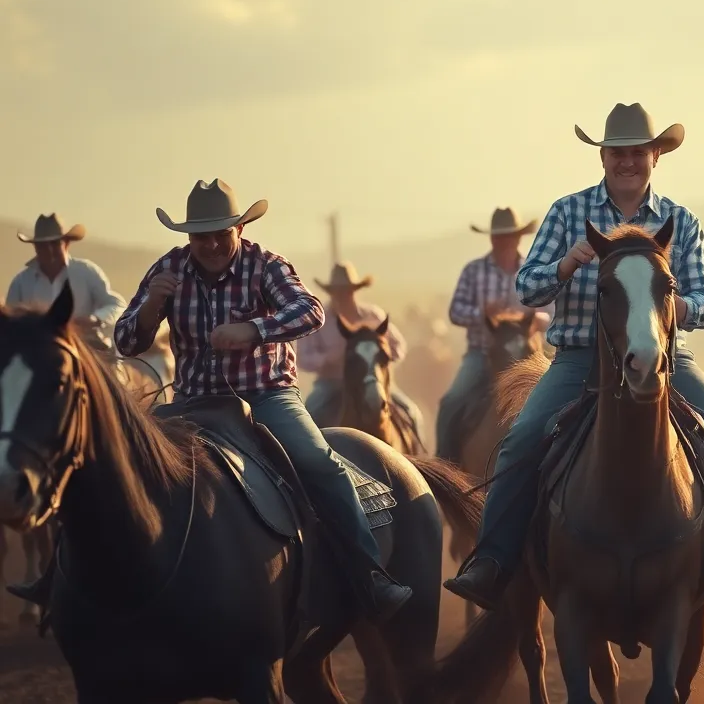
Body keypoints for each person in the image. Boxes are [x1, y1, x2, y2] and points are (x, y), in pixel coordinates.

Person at [443, 102, 704, 611]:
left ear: (656, 156)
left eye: (638, 152)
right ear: (603, 157)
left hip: (664, 358)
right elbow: (527, 287)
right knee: (521, 440)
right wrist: (566, 263)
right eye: (617, 152)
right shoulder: (569, 212)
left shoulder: (681, 220)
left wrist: (675, 306)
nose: (627, 161)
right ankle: (492, 561)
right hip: (578, 359)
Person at [113, 178, 412, 621]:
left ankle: (369, 574)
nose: (212, 243)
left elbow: (310, 310)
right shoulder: (168, 270)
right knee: (125, 461)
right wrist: (151, 308)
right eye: (201, 235)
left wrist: (253, 330)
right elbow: (125, 340)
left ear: (239, 228)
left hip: (267, 393)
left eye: (221, 233)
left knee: (317, 461)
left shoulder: (264, 264)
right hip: (193, 400)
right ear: (188, 236)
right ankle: (103, 578)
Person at [434, 207, 552, 462]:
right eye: (499, 236)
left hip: (529, 356)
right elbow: (456, 311)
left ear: (519, 237)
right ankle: (444, 465)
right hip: (482, 354)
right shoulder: (474, 271)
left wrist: (532, 319)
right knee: (451, 402)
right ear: (491, 238)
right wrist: (483, 314)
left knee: (561, 400)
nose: (504, 240)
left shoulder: (533, 271)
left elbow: (551, 311)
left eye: (509, 235)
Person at [297, 261, 420, 428]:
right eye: (338, 292)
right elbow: (303, 358)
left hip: (374, 381)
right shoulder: (317, 320)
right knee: (308, 418)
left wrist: (380, 356)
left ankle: (420, 451)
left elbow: (398, 344)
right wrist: (327, 359)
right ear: (331, 293)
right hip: (332, 383)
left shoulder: (373, 315)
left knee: (412, 413)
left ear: (354, 291)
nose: (343, 296)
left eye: (347, 291)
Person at [6, 213, 126, 340]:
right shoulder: (21, 282)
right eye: (42, 245)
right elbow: (8, 324)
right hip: (36, 352)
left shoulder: (86, 272)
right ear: (35, 247)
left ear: (67, 243)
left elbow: (117, 306)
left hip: (86, 349)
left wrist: (96, 319)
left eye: (54, 244)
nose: (49, 250)